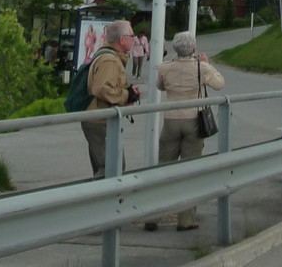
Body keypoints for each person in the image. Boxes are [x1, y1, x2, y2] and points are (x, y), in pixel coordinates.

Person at [144, 31, 224, 231]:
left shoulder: (165, 68)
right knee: (190, 170)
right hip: (194, 120)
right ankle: (186, 219)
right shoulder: (201, 67)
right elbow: (219, 84)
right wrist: (207, 63)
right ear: (194, 49)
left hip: (171, 120)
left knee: (163, 168)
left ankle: (153, 216)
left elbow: (161, 87)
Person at [80, 20, 139, 177]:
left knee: (109, 167)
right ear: (122, 39)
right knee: (111, 168)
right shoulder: (109, 60)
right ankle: (102, 200)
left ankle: (103, 199)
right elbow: (101, 88)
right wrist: (127, 95)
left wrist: (127, 91)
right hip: (99, 121)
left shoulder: (110, 57)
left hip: (99, 118)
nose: (135, 39)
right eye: (132, 35)